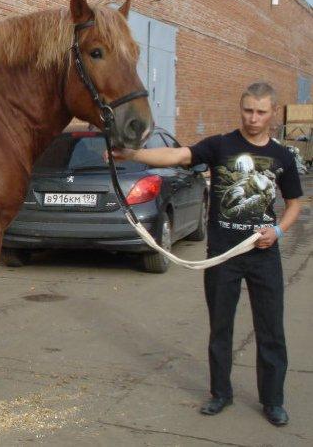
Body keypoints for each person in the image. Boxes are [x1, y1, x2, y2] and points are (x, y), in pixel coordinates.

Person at [111, 82, 303, 426]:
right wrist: (134, 155)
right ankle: (220, 394)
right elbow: (179, 155)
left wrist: (277, 231)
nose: (253, 118)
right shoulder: (220, 145)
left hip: (263, 255)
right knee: (221, 328)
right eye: (248, 110)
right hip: (221, 255)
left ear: (273, 112)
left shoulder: (282, 156)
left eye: (261, 112)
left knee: (271, 330)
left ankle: (273, 401)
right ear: (240, 108)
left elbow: (294, 204)